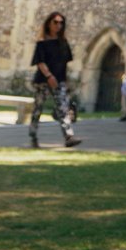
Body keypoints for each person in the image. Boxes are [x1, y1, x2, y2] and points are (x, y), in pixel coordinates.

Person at [29, 12, 82, 149]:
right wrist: (49, 76)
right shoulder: (42, 43)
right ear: (49, 23)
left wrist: (66, 80)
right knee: (38, 109)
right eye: (55, 22)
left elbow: (64, 64)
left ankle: (68, 136)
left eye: (61, 23)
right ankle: (33, 134)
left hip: (59, 81)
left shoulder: (63, 43)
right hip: (43, 80)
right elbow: (40, 62)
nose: (58, 25)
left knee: (63, 108)